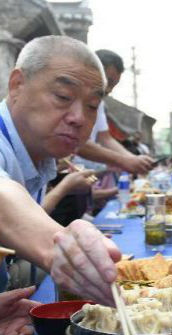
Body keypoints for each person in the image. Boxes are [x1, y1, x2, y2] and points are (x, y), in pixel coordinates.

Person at [0, 36, 120, 305]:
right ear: (17, 85)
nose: (79, 118)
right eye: (63, 97)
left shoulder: (42, 154)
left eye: (91, 106)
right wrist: (64, 249)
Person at [75, 49, 154, 175]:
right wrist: (124, 160)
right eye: (108, 82)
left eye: (113, 85)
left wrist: (133, 159)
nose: (109, 90)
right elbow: (77, 142)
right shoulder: (72, 99)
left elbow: (105, 138)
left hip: (87, 175)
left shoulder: (99, 103)